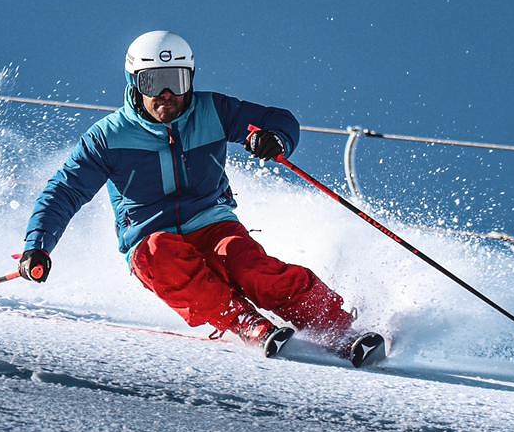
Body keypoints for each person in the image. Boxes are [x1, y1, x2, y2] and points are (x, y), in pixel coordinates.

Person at [19, 30, 385, 365]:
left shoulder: (212, 110)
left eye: (175, 81)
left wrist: (272, 137)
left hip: (212, 222)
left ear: (190, 79)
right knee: (159, 254)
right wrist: (38, 245)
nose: (166, 95)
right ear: (135, 83)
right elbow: (65, 191)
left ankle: (335, 327)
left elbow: (280, 119)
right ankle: (244, 322)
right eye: (153, 82)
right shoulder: (108, 136)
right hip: (150, 236)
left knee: (249, 267)